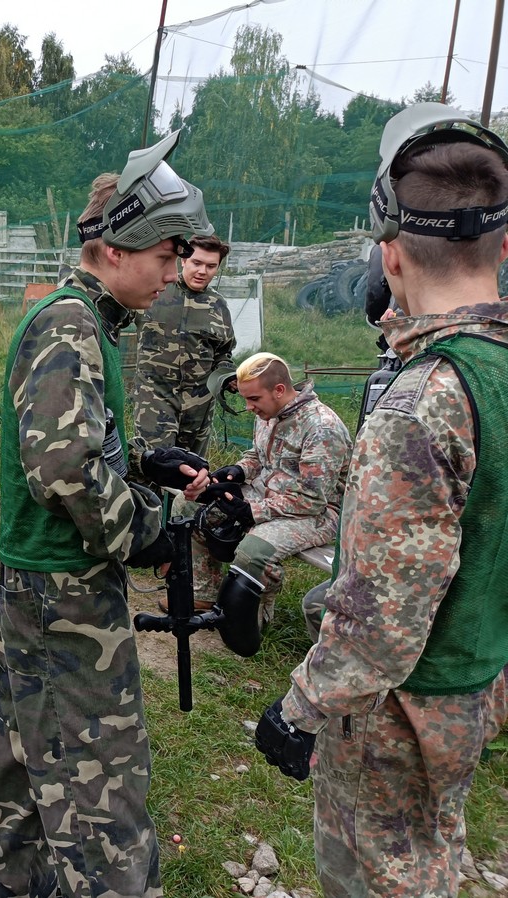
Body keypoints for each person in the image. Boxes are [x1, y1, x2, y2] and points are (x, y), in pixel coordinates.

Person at [256, 103, 508, 898]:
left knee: (384, 875)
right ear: (505, 245)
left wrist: (299, 709)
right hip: (477, 683)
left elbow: (380, 622)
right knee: (432, 852)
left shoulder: (423, 401)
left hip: (401, 712)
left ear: (389, 255)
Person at [0, 131, 212, 898]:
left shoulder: (92, 323)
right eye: (166, 256)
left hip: (48, 583)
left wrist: (146, 463)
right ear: (115, 249)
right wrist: (153, 527)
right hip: (64, 592)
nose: (173, 273)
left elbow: (81, 441)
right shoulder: (70, 324)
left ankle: (16, 881)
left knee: (27, 747)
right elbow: (63, 471)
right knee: (100, 785)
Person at [183, 351, 351, 633]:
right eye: (246, 399)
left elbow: (313, 499)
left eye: (253, 399)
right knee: (191, 506)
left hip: (318, 514)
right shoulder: (267, 411)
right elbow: (257, 456)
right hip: (268, 495)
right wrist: (237, 471)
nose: (248, 407)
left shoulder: (321, 427)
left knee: (254, 550)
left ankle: (250, 624)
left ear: (279, 390)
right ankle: (205, 595)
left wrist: (251, 511)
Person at [132, 233, 236, 467]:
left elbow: (224, 352)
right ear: (184, 260)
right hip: (155, 398)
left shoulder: (218, 306)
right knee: (155, 465)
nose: (202, 271)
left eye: (211, 266)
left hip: (199, 406)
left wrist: (227, 376)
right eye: (197, 263)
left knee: (192, 471)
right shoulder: (155, 292)